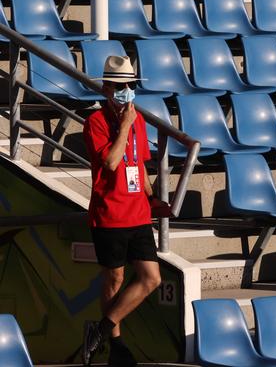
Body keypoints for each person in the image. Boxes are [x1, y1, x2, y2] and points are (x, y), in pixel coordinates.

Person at [82, 55, 171, 367]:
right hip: (109, 212)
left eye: (130, 85)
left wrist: (153, 198)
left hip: (138, 212)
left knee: (151, 278)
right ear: (107, 88)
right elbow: (111, 162)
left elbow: (140, 165)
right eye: (120, 86)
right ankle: (116, 345)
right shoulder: (95, 122)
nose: (126, 91)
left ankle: (101, 330)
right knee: (114, 280)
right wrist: (124, 127)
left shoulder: (138, 120)